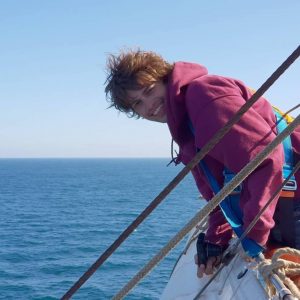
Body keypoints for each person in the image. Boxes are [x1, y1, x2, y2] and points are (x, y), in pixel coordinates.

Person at [104, 49, 300, 278]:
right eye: (138, 103)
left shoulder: (204, 96)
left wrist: (255, 236)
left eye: (149, 90)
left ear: (165, 78)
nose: (149, 106)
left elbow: (264, 159)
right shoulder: (185, 124)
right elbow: (218, 192)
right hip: (281, 204)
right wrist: (216, 237)